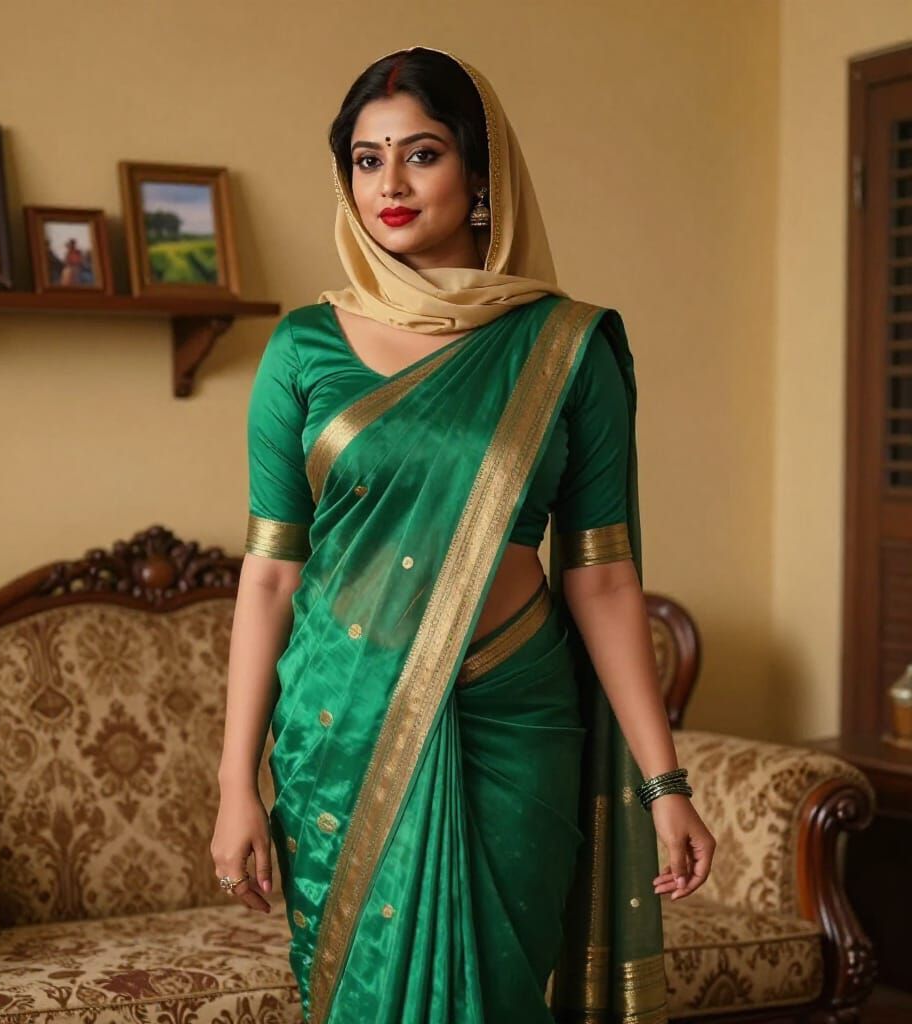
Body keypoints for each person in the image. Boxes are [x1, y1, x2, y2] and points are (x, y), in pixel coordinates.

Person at [210, 44, 716, 1024]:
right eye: (366, 158)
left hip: (511, 719)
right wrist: (234, 784)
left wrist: (666, 784)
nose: (388, 184)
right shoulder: (302, 348)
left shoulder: (566, 345)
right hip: (341, 723)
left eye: (421, 153)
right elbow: (270, 575)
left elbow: (603, 580)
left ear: (482, 175)